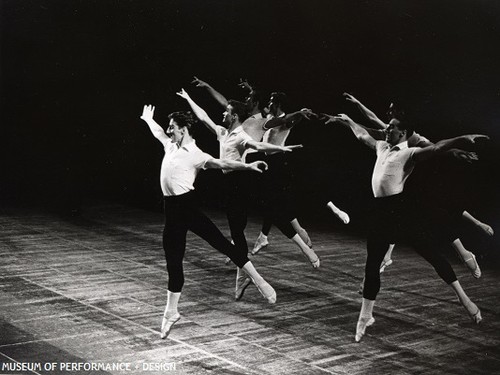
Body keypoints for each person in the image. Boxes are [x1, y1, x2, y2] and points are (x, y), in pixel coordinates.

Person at [325, 112, 488, 342]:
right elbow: (362, 135)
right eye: (388, 127)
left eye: (391, 128)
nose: (387, 130)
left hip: (400, 212)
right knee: (372, 265)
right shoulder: (382, 146)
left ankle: (464, 298)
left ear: (402, 133)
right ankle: (365, 316)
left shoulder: (409, 153)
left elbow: (436, 148)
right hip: (380, 213)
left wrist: (462, 138)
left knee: (431, 253)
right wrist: (347, 120)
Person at [139, 104, 276, 339]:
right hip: (171, 212)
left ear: (183, 130)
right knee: (173, 260)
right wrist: (147, 120)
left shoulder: (196, 154)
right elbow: (158, 132)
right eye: (170, 128)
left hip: (187, 207)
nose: (169, 131)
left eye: (173, 128)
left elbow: (222, 163)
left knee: (222, 244)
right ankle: (171, 312)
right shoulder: (170, 145)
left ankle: (259, 280)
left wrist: (247, 165)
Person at [177, 88, 320, 300]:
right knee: (237, 231)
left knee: (272, 213)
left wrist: (281, 149)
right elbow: (203, 116)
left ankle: (307, 251)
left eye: (227, 112)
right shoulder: (223, 132)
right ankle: (241, 276)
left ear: (234, 115)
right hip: (228, 185)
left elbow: (258, 144)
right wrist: (189, 98)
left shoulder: (242, 134)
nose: (223, 114)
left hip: (243, 181)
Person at [342, 92, 492, 275]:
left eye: (392, 110)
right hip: (402, 176)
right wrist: (357, 104)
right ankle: (386, 256)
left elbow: (435, 147)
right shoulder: (392, 130)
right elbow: (371, 119)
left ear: (402, 113)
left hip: (419, 172)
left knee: (433, 212)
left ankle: (464, 249)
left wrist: (454, 151)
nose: (388, 113)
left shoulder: (411, 136)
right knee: (398, 215)